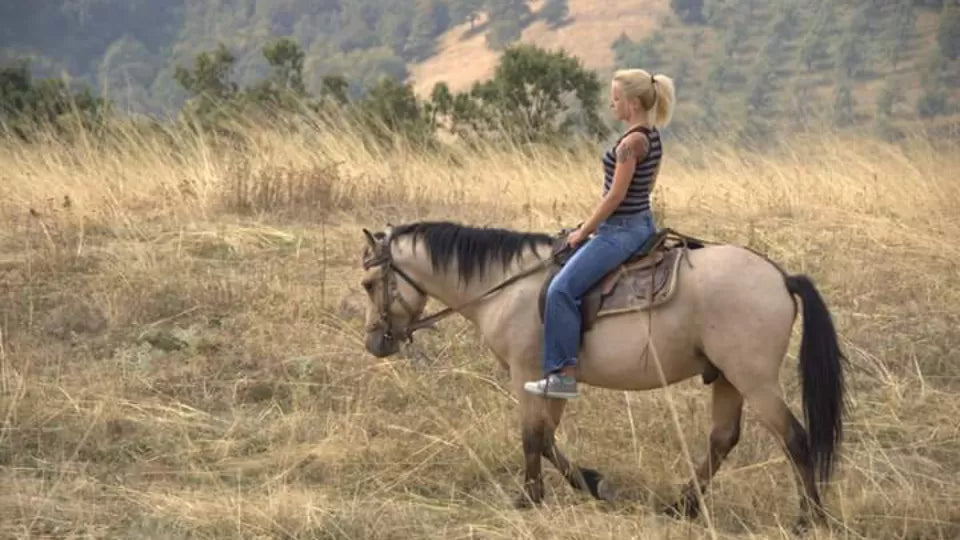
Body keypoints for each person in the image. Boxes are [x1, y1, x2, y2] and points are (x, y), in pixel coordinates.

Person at [523, 68, 676, 399]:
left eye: (616, 99)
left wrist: (583, 231)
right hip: (640, 222)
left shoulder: (630, 143)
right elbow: (645, 186)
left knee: (560, 290)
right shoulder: (651, 134)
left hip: (621, 230)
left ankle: (562, 375)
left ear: (633, 103)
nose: (612, 105)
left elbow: (614, 197)